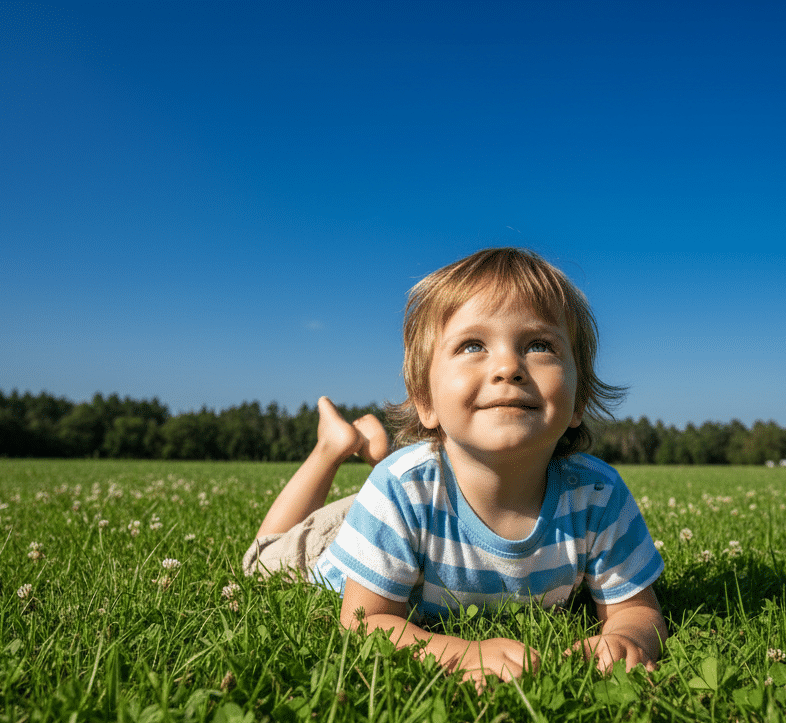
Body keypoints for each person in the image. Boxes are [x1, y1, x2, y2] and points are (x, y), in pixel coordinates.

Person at [242, 247, 666, 686]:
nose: (508, 367)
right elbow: (364, 622)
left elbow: (637, 610)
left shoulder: (597, 495)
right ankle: (332, 447)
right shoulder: (398, 490)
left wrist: (626, 641)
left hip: (408, 522)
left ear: (578, 400)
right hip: (357, 538)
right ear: (425, 401)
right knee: (263, 557)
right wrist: (460, 653)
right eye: (472, 345)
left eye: (539, 345)